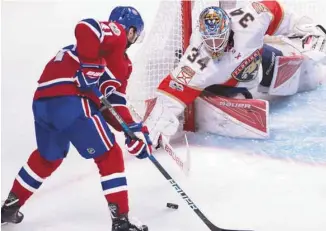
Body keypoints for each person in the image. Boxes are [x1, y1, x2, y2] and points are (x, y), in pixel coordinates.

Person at [1, 6, 151, 231]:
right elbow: (86, 27)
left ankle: (9, 208)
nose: (133, 38)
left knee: (47, 158)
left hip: (44, 103)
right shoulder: (116, 34)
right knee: (110, 155)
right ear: (130, 31)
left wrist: (132, 130)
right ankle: (121, 222)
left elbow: (114, 104)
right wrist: (90, 66)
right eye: (135, 33)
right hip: (70, 99)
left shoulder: (123, 65)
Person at [144, 0, 326, 142]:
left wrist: (307, 30)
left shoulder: (250, 19)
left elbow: (276, 10)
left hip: (258, 61)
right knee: (239, 91)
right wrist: (155, 124)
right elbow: (171, 93)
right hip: (230, 85)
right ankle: (233, 95)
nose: (215, 47)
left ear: (228, 29)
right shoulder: (196, 61)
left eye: (219, 39)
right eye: (210, 41)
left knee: (307, 75)